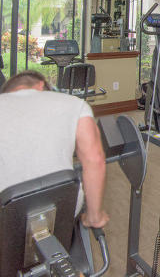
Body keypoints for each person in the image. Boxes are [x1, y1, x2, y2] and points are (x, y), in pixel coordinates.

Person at [0, 71, 109, 229]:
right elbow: (94, 160)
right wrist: (94, 217)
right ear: (41, 85)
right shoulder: (75, 104)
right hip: (62, 206)